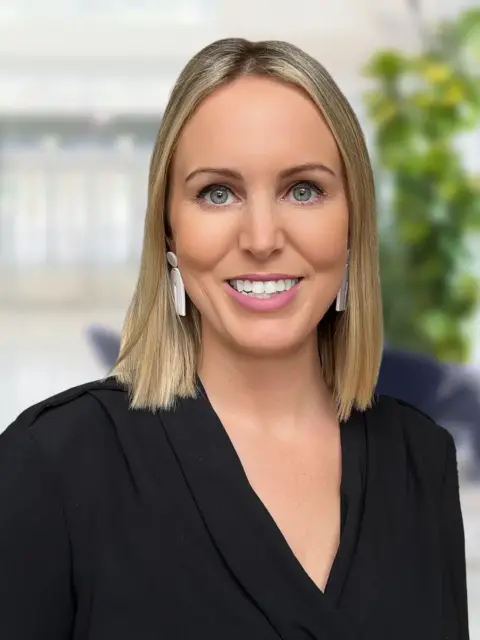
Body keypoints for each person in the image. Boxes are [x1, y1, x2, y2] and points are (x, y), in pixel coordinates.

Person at [0, 38, 469, 640]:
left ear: (353, 224)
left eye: (304, 189)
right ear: (168, 230)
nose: (262, 236)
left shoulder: (420, 458)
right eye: (217, 193)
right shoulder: (50, 467)